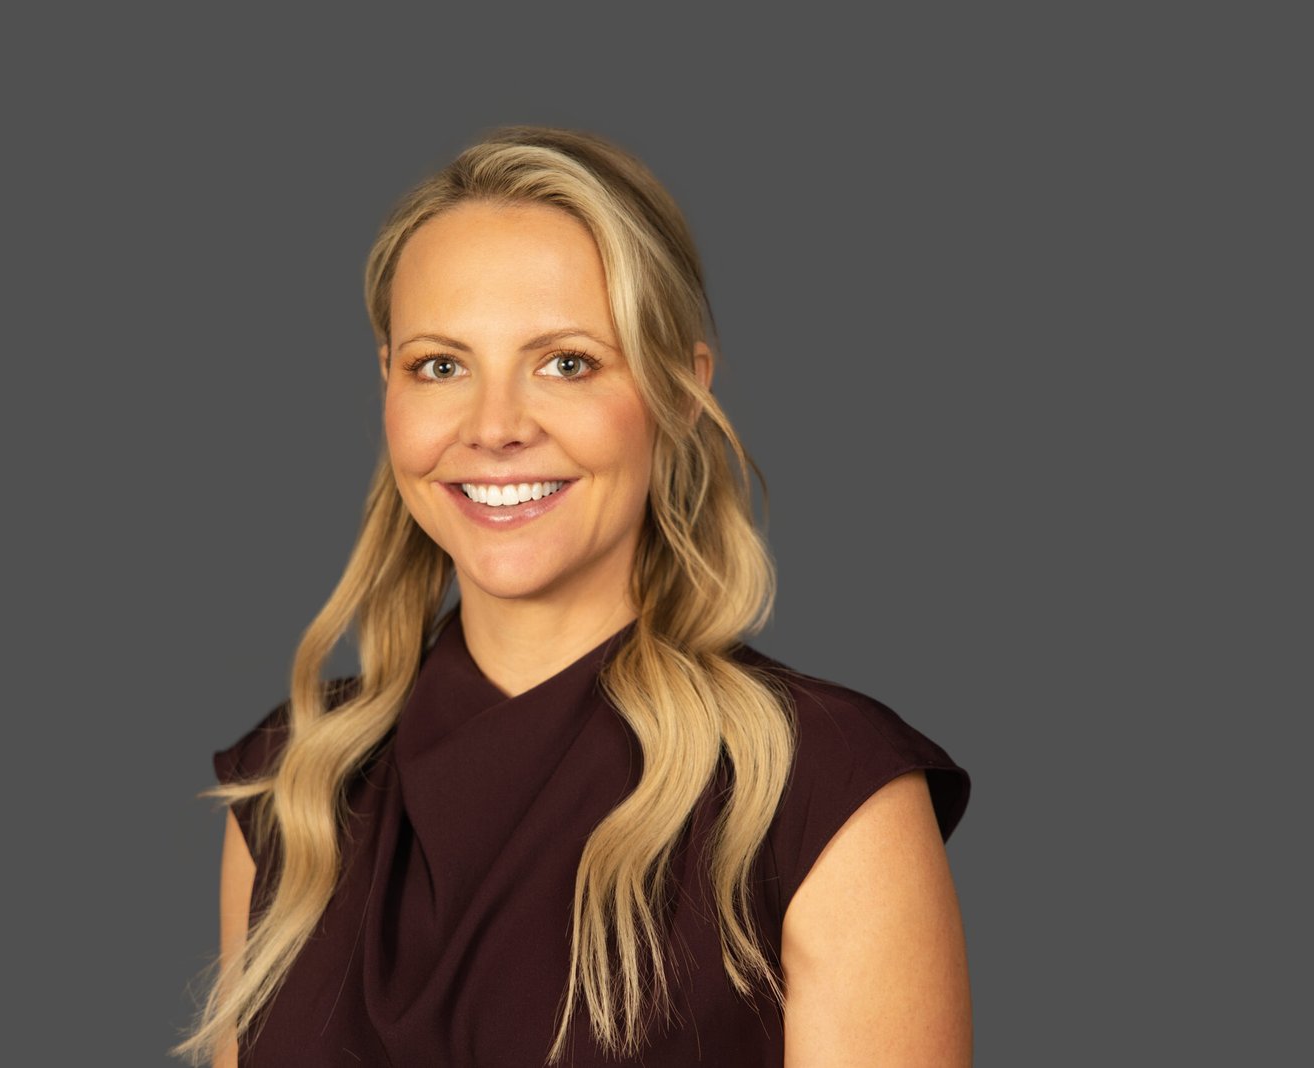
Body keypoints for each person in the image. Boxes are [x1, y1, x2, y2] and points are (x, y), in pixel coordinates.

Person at [174, 125, 973, 1067]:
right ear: (387, 387)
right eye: (441, 365)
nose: (496, 427)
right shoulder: (293, 794)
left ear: (680, 393)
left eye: (566, 362)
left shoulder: (822, 794)